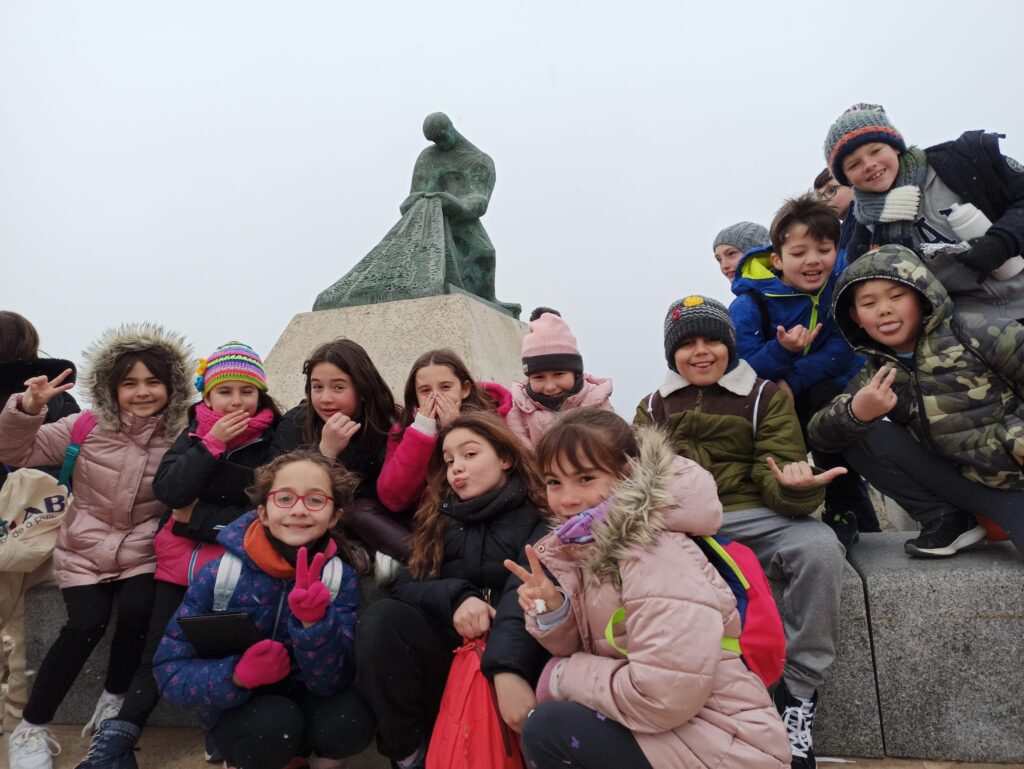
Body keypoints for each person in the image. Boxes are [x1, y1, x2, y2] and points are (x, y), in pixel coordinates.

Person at [507, 408, 790, 769]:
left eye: (585, 478)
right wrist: (553, 609)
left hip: (727, 742)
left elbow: (663, 696)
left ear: (627, 474)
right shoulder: (594, 546)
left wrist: (563, 675)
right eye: (554, 482)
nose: (567, 499)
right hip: (687, 731)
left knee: (548, 728)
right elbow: (602, 645)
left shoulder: (651, 551)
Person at [634, 296, 847, 769]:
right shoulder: (651, 406)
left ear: (730, 346)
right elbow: (639, 480)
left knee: (820, 548)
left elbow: (776, 471)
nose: (701, 352)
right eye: (687, 344)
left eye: (712, 340)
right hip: (682, 522)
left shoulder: (764, 396)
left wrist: (794, 486)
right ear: (672, 354)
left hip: (751, 511)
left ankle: (799, 691)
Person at [75, 342, 282, 769]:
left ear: (261, 395)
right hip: (176, 568)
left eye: (247, 391)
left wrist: (196, 518)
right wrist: (211, 445)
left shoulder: (273, 442)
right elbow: (170, 492)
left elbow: (268, 512)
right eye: (225, 392)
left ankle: (219, 729)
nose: (236, 401)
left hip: (236, 567)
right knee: (155, 654)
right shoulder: (192, 436)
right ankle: (117, 740)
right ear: (207, 396)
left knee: (228, 651)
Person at [0, 323, 192, 769]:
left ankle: (113, 700)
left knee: (139, 609)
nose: (141, 392)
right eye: (129, 383)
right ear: (111, 387)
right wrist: (27, 410)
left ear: (172, 386)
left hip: (144, 547)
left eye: (153, 381)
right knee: (85, 623)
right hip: (84, 546)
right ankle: (31, 725)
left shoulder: (183, 433)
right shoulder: (85, 424)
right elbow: (16, 452)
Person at [154, 451, 375, 769]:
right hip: (244, 715)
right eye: (284, 498)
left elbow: (333, 682)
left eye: (315, 500)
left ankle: (308, 760)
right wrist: (236, 675)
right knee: (273, 724)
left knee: (350, 718)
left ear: (334, 516)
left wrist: (314, 627)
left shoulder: (339, 578)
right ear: (264, 513)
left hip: (305, 705)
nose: (299, 510)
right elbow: (170, 672)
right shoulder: (221, 574)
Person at [355, 412, 547, 769]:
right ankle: (409, 754)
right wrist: (457, 598)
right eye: (448, 460)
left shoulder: (541, 513)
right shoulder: (439, 518)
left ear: (505, 458)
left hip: (521, 653)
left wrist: (505, 666)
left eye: (470, 454)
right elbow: (407, 584)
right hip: (451, 649)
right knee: (381, 620)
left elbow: (526, 591)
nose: (456, 467)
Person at [808, 244, 1024, 557]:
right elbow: (820, 435)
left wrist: (1017, 432)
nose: (884, 309)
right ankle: (946, 519)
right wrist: (857, 411)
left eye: (897, 296)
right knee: (857, 428)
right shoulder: (877, 373)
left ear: (922, 296)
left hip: (1016, 475)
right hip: (964, 489)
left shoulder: (976, 332)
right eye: (869, 303)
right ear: (855, 316)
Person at [730, 194, 876, 547]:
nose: (813, 261)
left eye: (824, 250)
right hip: (766, 403)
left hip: (822, 392)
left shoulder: (840, 289)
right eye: (799, 253)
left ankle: (845, 510)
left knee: (831, 410)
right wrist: (783, 351)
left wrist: (792, 379)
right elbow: (740, 366)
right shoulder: (750, 303)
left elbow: (844, 346)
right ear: (777, 259)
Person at [824, 102, 1024, 320]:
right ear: (846, 179)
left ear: (895, 146)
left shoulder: (960, 162)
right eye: (853, 165)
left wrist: (1002, 241)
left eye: (876, 151)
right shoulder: (863, 235)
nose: (869, 164)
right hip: (973, 325)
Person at [0, 312, 80, 734]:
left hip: (10, 524)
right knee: (20, 619)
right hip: (40, 523)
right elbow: (77, 455)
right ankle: (15, 711)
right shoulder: (55, 392)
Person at [271, 339, 402, 574]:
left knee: (359, 510)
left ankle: (426, 561)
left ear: (362, 390)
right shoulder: (295, 423)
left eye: (338, 387)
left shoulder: (386, 424)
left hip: (374, 522)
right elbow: (279, 491)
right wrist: (325, 453)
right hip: (309, 522)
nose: (325, 398)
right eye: (317, 387)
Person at [375, 349, 512, 539]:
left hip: (490, 518)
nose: (436, 396)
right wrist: (421, 433)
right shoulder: (403, 430)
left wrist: (456, 430)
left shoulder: (492, 418)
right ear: (415, 396)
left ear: (465, 389)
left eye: (445, 387)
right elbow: (392, 498)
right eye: (425, 391)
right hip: (430, 524)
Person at [506, 307, 613, 451]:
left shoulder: (597, 401)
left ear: (575, 373)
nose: (550, 386)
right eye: (539, 377)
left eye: (558, 375)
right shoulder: (518, 409)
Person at [812, 168, 856, 254]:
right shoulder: (836, 235)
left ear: (854, 185)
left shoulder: (871, 222)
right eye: (820, 196)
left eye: (831, 190)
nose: (824, 200)